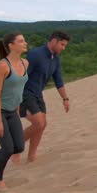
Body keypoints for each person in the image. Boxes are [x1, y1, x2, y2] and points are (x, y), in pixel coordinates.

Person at [0, 32, 29, 190]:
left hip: (12, 111)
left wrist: (17, 111)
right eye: (21, 41)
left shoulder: (25, 63)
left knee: (19, 147)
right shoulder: (3, 66)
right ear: (11, 45)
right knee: (8, 148)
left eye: (24, 41)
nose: (25, 43)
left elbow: (19, 90)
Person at [17, 30, 71, 163]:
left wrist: (65, 99)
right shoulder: (35, 54)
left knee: (43, 125)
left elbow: (58, 80)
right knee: (38, 123)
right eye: (62, 44)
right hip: (25, 93)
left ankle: (31, 156)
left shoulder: (56, 58)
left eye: (65, 46)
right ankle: (15, 147)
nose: (63, 48)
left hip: (38, 94)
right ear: (53, 41)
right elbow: (20, 77)